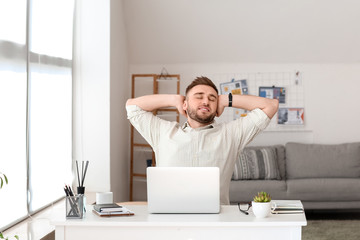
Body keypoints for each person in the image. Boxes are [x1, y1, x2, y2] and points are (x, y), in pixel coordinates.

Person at [126, 76, 279, 205]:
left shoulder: (231, 134)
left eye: (212, 99)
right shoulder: (163, 132)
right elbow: (132, 106)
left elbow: (271, 105)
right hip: (169, 220)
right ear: (185, 104)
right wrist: (174, 99)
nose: (206, 101)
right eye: (199, 97)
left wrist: (227, 99)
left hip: (215, 222)